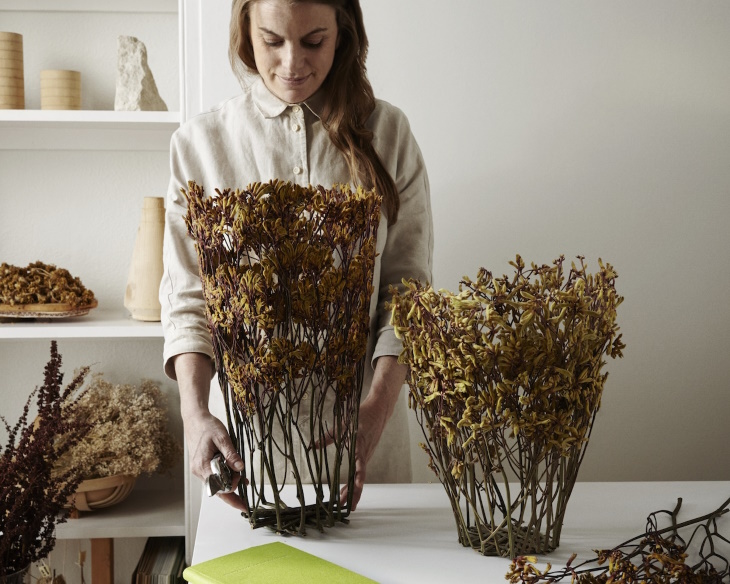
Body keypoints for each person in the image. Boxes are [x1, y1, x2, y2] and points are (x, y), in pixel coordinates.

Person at [160, 0, 433, 513]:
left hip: (365, 443)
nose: (292, 64)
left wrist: (375, 411)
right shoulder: (200, 144)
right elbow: (188, 299)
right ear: (245, 31)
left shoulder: (389, 135)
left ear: (344, 33)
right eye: (272, 41)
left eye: (314, 42)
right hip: (247, 454)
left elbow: (407, 291)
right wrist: (195, 414)